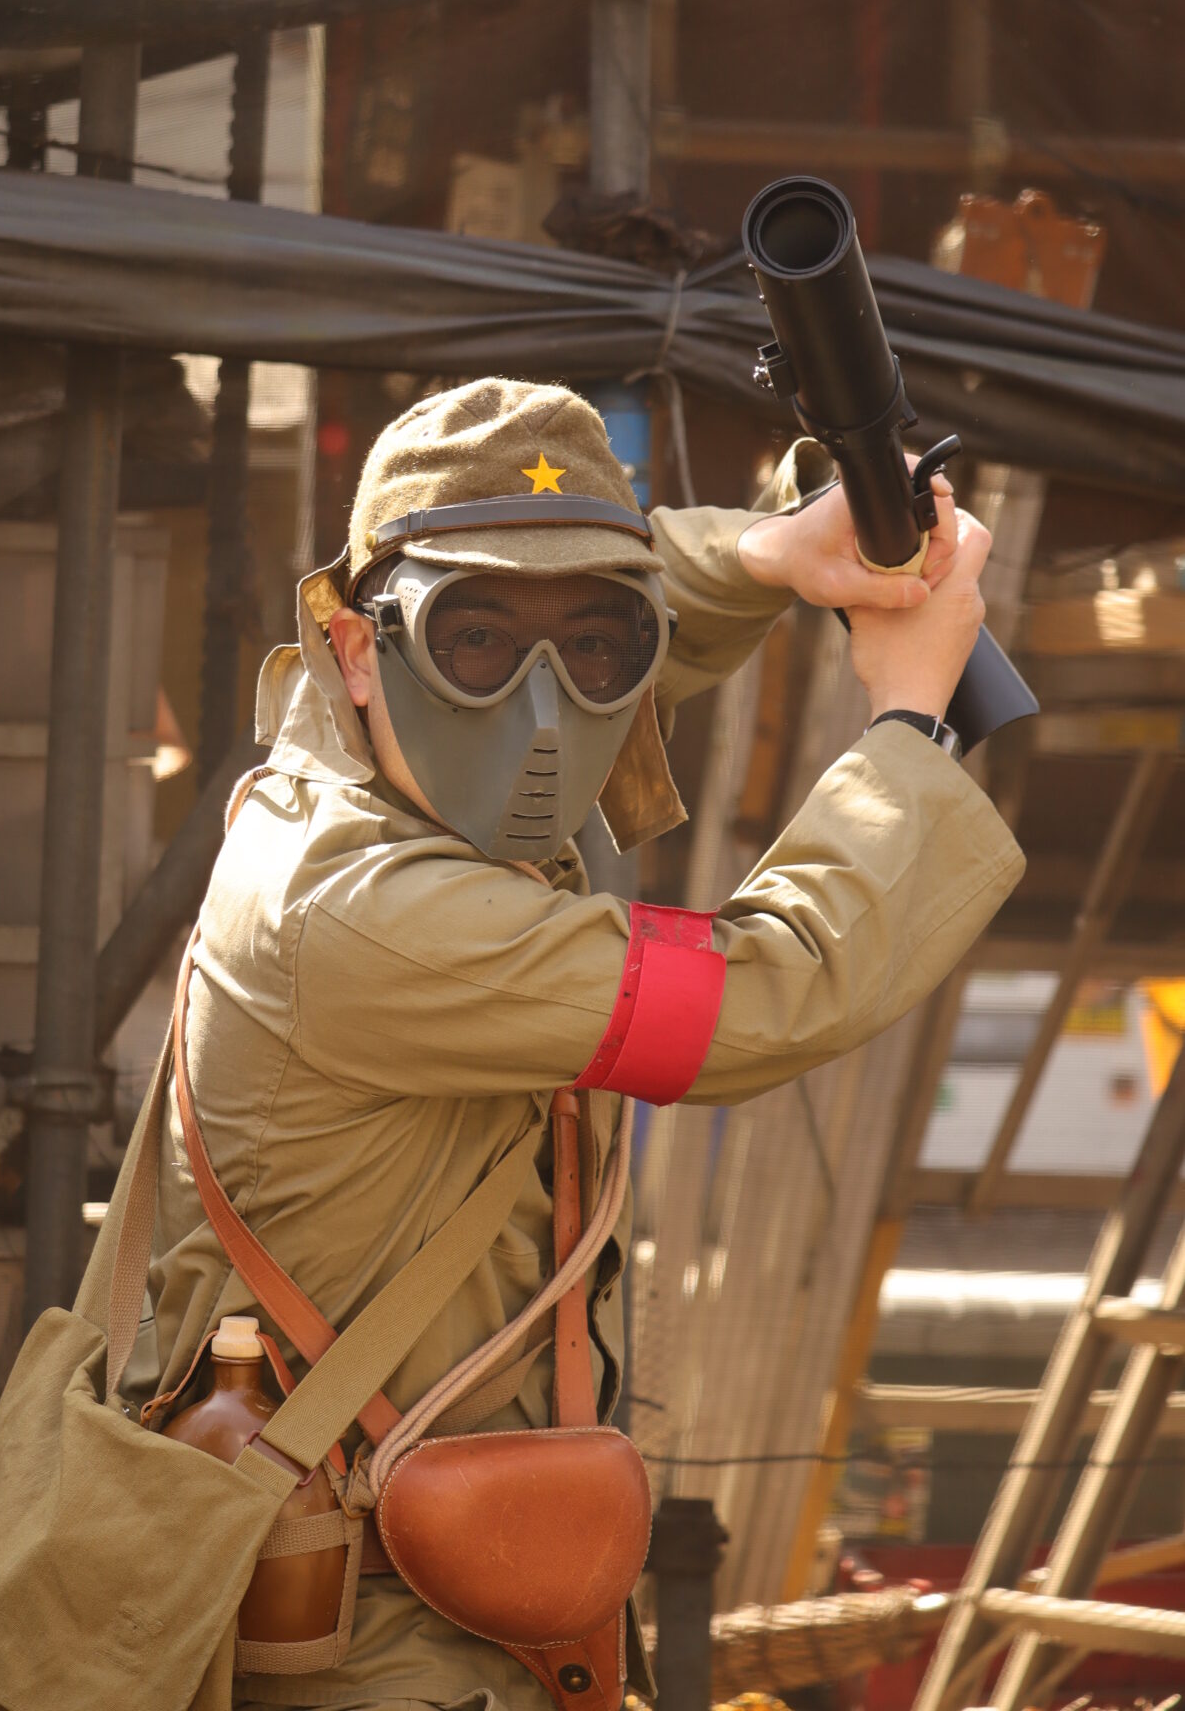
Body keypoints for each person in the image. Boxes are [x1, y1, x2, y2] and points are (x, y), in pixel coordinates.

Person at [135, 376, 1024, 1711]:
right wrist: (908, 719)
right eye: (474, 640)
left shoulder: (358, 772)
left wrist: (772, 553)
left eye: (598, 649)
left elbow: (580, 621)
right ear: (358, 647)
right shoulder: (370, 913)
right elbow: (763, 992)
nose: (543, 710)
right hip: (360, 1646)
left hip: (454, 1596)